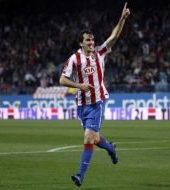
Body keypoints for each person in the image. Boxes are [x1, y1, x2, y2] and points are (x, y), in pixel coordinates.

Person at [59, 2, 130, 187]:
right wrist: (78, 85)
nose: (92, 43)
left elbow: (114, 36)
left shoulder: (100, 52)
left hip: (97, 102)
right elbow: (62, 80)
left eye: (92, 40)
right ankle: (111, 148)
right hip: (81, 105)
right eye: (88, 40)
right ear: (81, 42)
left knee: (88, 138)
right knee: (95, 138)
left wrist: (122, 19)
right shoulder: (74, 58)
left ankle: (80, 176)